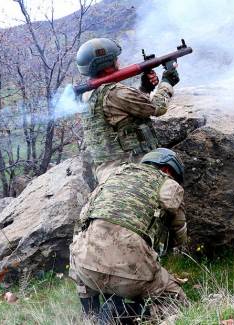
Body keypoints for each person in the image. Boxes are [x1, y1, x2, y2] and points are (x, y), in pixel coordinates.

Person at [69, 148, 188, 323]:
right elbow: (179, 236)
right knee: (178, 305)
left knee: (80, 249)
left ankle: (90, 316)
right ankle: (120, 312)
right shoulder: (169, 184)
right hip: (131, 271)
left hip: (85, 268)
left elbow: (82, 220)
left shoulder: (114, 174)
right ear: (168, 170)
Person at [75, 37, 181, 182]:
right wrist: (167, 82)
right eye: (115, 58)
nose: (118, 61)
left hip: (108, 172)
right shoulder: (115, 92)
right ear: (107, 64)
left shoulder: (86, 95)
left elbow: (123, 112)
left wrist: (145, 89)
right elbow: (158, 108)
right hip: (133, 169)